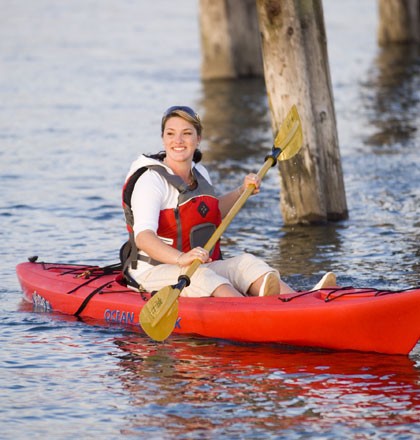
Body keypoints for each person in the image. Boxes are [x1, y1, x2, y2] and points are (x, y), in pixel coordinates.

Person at [121, 105, 336, 298]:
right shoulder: (151, 181)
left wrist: (242, 191)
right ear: (163, 138)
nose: (178, 141)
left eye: (186, 133)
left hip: (195, 266)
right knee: (204, 278)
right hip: (153, 271)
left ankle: (300, 302)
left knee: (246, 264)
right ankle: (256, 313)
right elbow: (144, 238)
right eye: (171, 133)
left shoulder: (200, 173)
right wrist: (180, 259)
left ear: (198, 139)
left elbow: (211, 212)